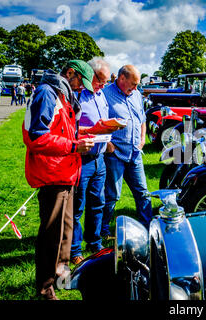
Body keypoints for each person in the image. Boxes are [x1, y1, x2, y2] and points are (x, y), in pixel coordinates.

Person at [22, 60, 96, 300]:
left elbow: (61, 131)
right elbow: (36, 137)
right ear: (69, 73)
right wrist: (75, 145)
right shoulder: (47, 93)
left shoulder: (63, 95)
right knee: (51, 236)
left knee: (65, 233)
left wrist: (86, 133)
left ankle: (62, 280)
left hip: (66, 173)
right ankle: (45, 289)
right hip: (52, 174)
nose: (81, 89)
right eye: (80, 83)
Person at [70, 58, 119, 265]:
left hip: (100, 157)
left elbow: (101, 122)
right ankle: (74, 250)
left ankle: (95, 242)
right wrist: (89, 133)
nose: (103, 84)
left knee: (97, 202)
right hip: (81, 158)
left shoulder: (101, 95)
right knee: (76, 207)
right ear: (91, 75)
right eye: (100, 80)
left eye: (106, 81)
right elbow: (70, 126)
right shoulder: (77, 95)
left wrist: (108, 136)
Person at [101, 65, 152, 237]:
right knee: (112, 195)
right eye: (133, 84)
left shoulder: (137, 95)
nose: (136, 88)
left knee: (143, 193)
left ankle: (148, 228)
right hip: (115, 153)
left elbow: (142, 119)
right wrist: (107, 143)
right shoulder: (105, 94)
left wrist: (143, 138)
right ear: (121, 78)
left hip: (135, 153)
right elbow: (99, 121)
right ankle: (104, 231)